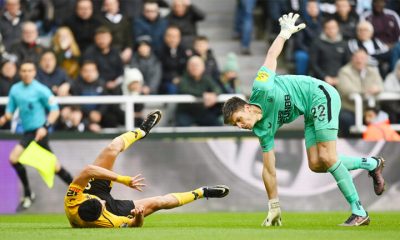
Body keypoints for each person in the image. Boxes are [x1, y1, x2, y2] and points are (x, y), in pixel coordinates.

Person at [222, 13, 385, 227]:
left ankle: (359, 211)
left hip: (320, 94)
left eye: (239, 119)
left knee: (328, 156)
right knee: (316, 164)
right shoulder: (262, 130)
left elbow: (271, 56)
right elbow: (269, 169)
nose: (241, 126)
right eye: (236, 125)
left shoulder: (261, 88)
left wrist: (283, 34)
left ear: (246, 107)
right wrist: (274, 205)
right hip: (309, 112)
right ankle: (372, 163)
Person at [64, 110, 229, 228]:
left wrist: (123, 179)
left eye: (100, 201)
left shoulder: (72, 201)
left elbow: (88, 170)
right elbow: (134, 225)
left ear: (83, 200)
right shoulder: (107, 222)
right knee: (160, 202)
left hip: (92, 190)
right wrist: (139, 216)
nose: (103, 201)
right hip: (113, 210)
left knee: (112, 148)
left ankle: (141, 131)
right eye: (102, 204)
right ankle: (202, 192)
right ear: (99, 214)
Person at [0, 60, 73, 210]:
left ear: (34, 72)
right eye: (24, 70)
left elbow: (55, 110)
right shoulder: (15, 89)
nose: (26, 73)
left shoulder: (41, 90)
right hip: (28, 132)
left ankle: (78, 190)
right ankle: (29, 194)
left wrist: (45, 126)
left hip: (40, 132)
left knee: (53, 166)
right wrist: (3, 119)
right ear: (20, 72)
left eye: (30, 70)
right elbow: (10, 112)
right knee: (51, 166)